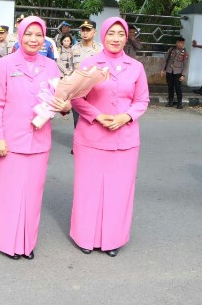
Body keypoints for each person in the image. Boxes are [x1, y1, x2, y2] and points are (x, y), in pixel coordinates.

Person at [70, 17, 149, 257]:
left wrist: (126, 117)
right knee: (88, 189)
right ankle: (85, 236)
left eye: (120, 34)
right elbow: (75, 98)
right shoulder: (89, 64)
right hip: (91, 137)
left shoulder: (136, 67)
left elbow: (142, 100)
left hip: (124, 140)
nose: (115, 38)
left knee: (119, 191)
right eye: (111, 33)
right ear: (103, 35)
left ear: (127, 37)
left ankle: (113, 240)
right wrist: (97, 116)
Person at [0, 16, 70, 260]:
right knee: (10, 193)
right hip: (11, 140)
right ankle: (7, 243)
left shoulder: (50, 66)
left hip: (39, 140)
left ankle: (27, 243)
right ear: (20, 35)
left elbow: (60, 100)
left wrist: (65, 106)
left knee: (33, 194)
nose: (33, 39)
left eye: (38, 35)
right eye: (29, 34)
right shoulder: (4, 64)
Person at [69, 20, 103, 135]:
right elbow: (70, 69)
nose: (85, 33)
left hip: (95, 90)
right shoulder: (74, 49)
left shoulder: (101, 50)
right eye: (83, 30)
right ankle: (78, 142)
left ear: (94, 32)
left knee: (95, 118)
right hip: (78, 90)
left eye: (88, 30)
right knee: (77, 119)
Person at [161, 37, 189, 109]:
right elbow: (165, 60)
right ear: (176, 43)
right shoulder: (171, 50)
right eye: (179, 42)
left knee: (178, 88)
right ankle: (170, 101)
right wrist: (162, 70)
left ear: (184, 44)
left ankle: (180, 103)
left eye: (182, 43)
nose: (180, 44)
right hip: (169, 71)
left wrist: (183, 75)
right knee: (170, 87)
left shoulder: (185, 53)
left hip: (178, 72)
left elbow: (185, 65)